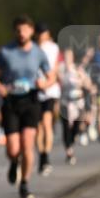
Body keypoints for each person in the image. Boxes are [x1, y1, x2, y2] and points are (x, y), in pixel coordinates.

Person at [0, 15, 55, 198]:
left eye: (25, 30)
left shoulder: (38, 53)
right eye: (18, 30)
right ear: (14, 32)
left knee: (28, 144)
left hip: (31, 101)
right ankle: (13, 162)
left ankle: (24, 183)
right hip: (11, 102)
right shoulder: (6, 52)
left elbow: (51, 76)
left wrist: (45, 83)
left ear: (31, 31)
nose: (22, 33)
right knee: (12, 148)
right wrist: (0, 87)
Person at [57, 47, 92, 165]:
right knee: (65, 127)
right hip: (64, 103)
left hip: (78, 103)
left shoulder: (78, 69)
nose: (67, 59)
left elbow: (88, 85)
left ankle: (72, 140)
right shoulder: (60, 69)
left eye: (69, 57)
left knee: (76, 127)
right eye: (65, 57)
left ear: (72, 58)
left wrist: (82, 79)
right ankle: (69, 151)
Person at [34, 24, 61, 176]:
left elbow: (55, 69)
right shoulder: (32, 47)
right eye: (39, 33)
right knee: (38, 128)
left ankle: (46, 157)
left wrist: (47, 83)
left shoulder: (53, 48)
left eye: (43, 33)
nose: (41, 35)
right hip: (35, 91)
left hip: (50, 90)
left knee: (46, 123)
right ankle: (41, 155)